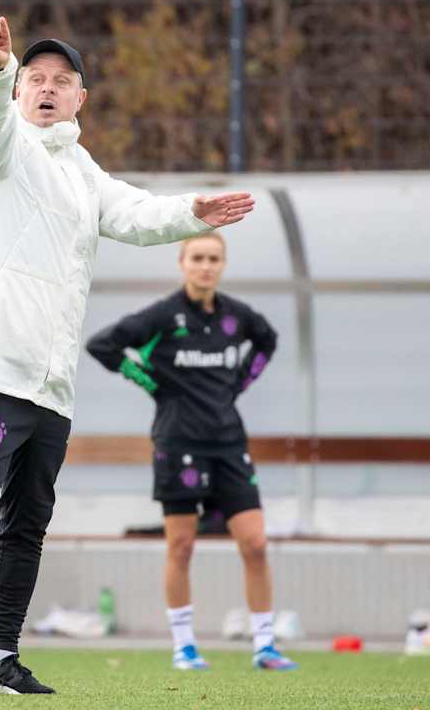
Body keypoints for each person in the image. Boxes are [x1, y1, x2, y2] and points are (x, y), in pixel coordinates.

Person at [0, 16, 257, 694]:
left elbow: (136, 215)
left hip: (51, 388)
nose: (47, 90)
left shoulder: (82, 173)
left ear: (82, 99)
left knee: (26, 528)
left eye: (62, 82)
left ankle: (3, 655)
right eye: (36, 80)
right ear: (20, 91)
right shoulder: (1, 146)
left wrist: (196, 211)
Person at [86, 232, 297, 672]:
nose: (206, 266)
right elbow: (102, 345)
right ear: (182, 263)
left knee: (255, 544)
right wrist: (151, 383)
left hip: (229, 444)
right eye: (198, 258)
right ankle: (184, 646)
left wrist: (238, 384)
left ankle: (265, 646)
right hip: (177, 444)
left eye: (214, 259)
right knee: (181, 546)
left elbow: (268, 341)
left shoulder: (237, 318)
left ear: (223, 265)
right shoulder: (162, 316)